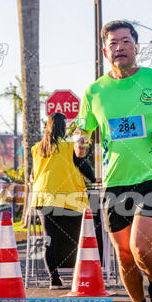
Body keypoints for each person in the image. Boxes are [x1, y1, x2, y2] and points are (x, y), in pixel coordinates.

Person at [77, 20, 152, 302]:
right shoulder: (95, 91)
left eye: (125, 41)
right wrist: (79, 140)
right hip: (114, 180)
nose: (119, 47)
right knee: (124, 255)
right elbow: (82, 126)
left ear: (136, 47)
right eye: (113, 43)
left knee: (140, 246)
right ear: (104, 51)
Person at [31, 113, 90, 289]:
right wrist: (94, 178)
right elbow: (82, 164)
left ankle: (54, 279)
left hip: (43, 195)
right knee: (79, 236)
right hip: (67, 196)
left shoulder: (37, 148)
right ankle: (81, 276)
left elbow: (36, 173)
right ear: (63, 127)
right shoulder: (69, 145)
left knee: (49, 239)